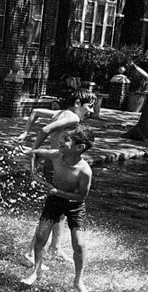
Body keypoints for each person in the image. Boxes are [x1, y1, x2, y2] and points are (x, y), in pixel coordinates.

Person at [22, 88, 96, 265]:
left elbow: (35, 112)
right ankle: (30, 253)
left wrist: (25, 132)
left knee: (59, 210)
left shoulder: (60, 112)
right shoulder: (73, 117)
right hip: (57, 164)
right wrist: (34, 151)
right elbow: (45, 129)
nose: (91, 111)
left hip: (54, 162)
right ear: (78, 104)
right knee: (53, 211)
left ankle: (55, 247)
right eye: (90, 106)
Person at [21, 124, 95, 292]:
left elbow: (81, 197)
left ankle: (78, 281)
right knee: (40, 237)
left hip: (74, 205)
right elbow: (38, 153)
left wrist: (58, 192)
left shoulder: (84, 171)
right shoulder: (56, 155)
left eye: (66, 140)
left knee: (80, 245)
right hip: (54, 201)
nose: (61, 142)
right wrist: (30, 153)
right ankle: (37, 271)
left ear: (79, 148)